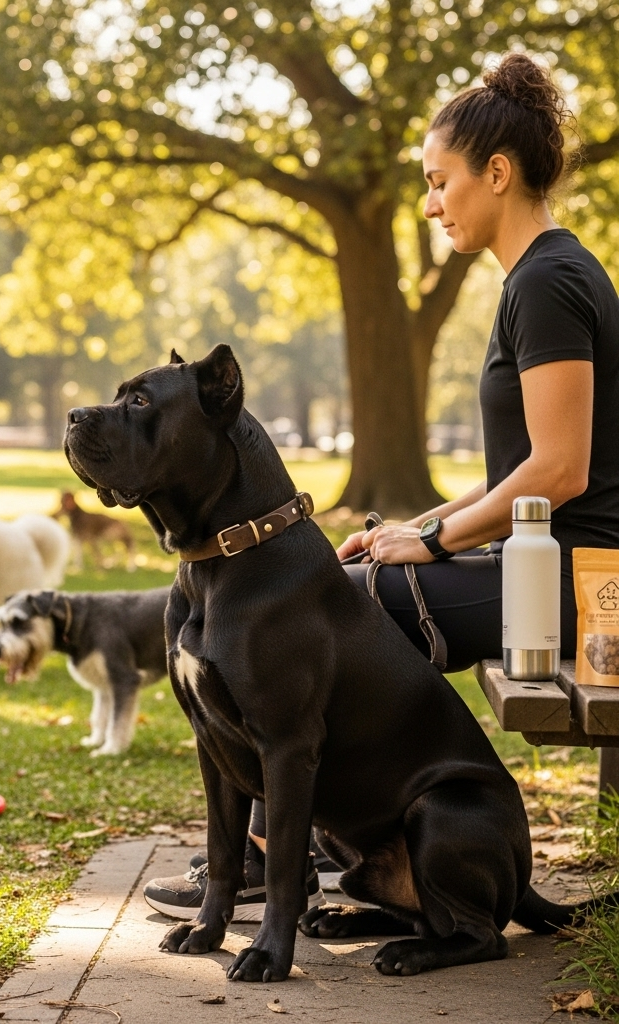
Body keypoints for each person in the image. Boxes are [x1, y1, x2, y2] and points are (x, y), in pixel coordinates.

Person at [144, 52, 619, 918]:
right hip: (550, 563)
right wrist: (419, 523)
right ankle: (315, 845)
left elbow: (561, 471)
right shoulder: (541, 278)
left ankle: (283, 850)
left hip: (582, 583)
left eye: (441, 183)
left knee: (334, 614)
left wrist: (432, 544)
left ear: (498, 173)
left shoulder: (548, 281)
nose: (433, 204)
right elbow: (522, 472)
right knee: (345, 592)